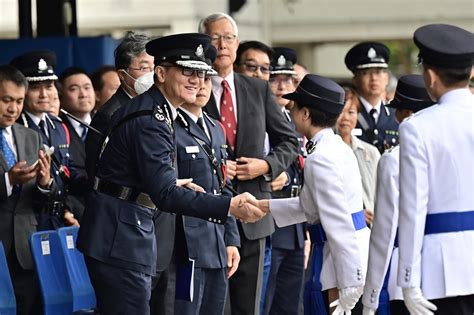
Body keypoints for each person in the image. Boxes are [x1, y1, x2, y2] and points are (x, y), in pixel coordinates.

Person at [76, 32, 266, 315]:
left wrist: (172, 184)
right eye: (187, 71)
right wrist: (229, 206)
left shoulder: (160, 112)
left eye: (202, 74)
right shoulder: (152, 119)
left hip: (128, 232)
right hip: (120, 238)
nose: (196, 80)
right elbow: (164, 194)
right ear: (161, 73)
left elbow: (143, 177)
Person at [199, 13, 299, 315]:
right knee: (214, 304)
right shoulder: (195, 88)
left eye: (228, 38)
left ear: (237, 43)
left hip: (254, 209)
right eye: (214, 38)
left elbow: (289, 142)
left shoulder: (255, 88)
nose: (222, 44)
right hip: (209, 211)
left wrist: (266, 166)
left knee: (248, 305)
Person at [256, 74, 370, 315]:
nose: (292, 111)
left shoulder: (320, 158)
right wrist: (264, 206)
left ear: (305, 113)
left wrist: (350, 280)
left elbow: (339, 222)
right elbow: (311, 205)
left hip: (339, 257)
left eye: (295, 106)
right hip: (346, 250)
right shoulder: (336, 147)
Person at [397, 24, 474, 314]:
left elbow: (413, 207)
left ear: (429, 76)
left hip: (443, 269)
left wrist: (408, 279)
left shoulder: (418, 127)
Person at [174, 46, 241, 315]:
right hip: (186, 245)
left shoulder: (215, 127)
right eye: (195, 77)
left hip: (216, 240)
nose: (201, 85)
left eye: (206, 78)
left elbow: (223, 186)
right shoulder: (169, 126)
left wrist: (231, 239)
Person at [361, 74, 435, 315]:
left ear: (405, 114)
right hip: (451, 270)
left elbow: (384, 232)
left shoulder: (394, 160)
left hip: (404, 273)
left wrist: (370, 298)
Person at [0, 64, 55, 315]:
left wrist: (45, 183)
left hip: (25, 247)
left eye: (19, 101)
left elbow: (42, 197)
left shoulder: (30, 136)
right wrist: (8, 181)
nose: (13, 108)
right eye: (6, 100)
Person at [10, 50, 79, 229]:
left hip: (59, 220)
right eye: (34, 88)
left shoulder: (58, 126)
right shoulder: (16, 128)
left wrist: (68, 209)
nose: (44, 94)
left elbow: (68, 174)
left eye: (49, 86)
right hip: (29, 221)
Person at [263, 47, 306, 315]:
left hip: (296, 227)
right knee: (266, 303)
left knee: (291, 305)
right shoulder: (261, 118)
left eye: (288, 79)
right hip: (271, 221)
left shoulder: (295, 119)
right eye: (275, 78)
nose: (282, 86)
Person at [86, 31, 154, 179]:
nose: (151, 74)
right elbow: (95, 169)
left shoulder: (155, 106)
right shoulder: (110, 114)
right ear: (122, 75)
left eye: (154, 68)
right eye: (144, 68)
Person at [336, 88, 380, 225]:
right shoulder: (324, 150)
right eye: (341, 111)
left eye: (351, 112)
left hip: (371, 226)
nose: (346, 118)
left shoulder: (370, 152)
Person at [345, 42, 398, 153]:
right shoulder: (346, 114)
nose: (374, 78)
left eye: (378, 72)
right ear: (355, 80)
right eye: (366, 73)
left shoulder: (396, 115)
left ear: (387, 78)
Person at [58, 67, 96, 222]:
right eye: (74, 89)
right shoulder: (57, 129)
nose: (83, 94)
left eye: (87, 87)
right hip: (74, 212)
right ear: (60, 95)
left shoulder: (107, 124)